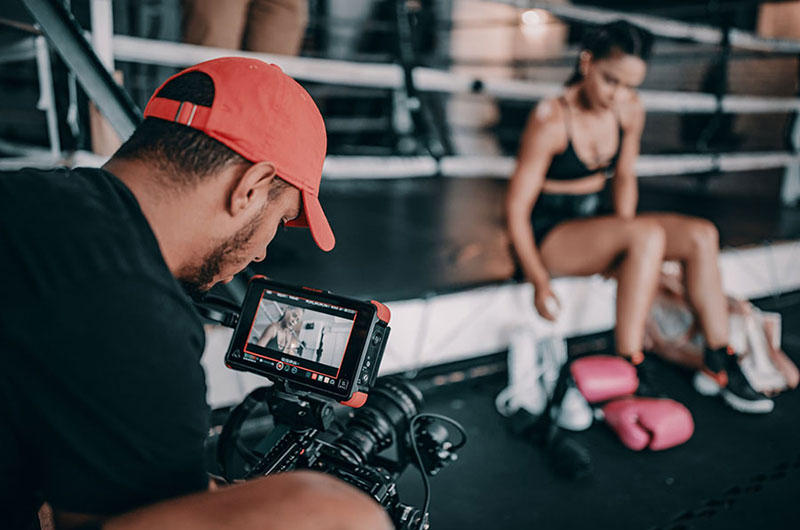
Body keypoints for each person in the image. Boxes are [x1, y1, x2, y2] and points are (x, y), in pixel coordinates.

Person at [0, 57, 391, 530]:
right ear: (251, 186)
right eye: (282, 219)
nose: (263, 252)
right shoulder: (138, 318)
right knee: (344, 514)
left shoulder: (23, 192)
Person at [505, 21, 772, 414]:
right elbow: (515, 208)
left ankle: (720, 358)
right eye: (610, 81)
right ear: (586, 62)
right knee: (644, 235)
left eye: (630, 85)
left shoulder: (629, 109)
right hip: (549, 233)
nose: (618, 95)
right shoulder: (551, 117)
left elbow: (625, 176)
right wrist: (538, 281)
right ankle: (629, 362)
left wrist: (624, 238)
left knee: (701, 234)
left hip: (595, 223)